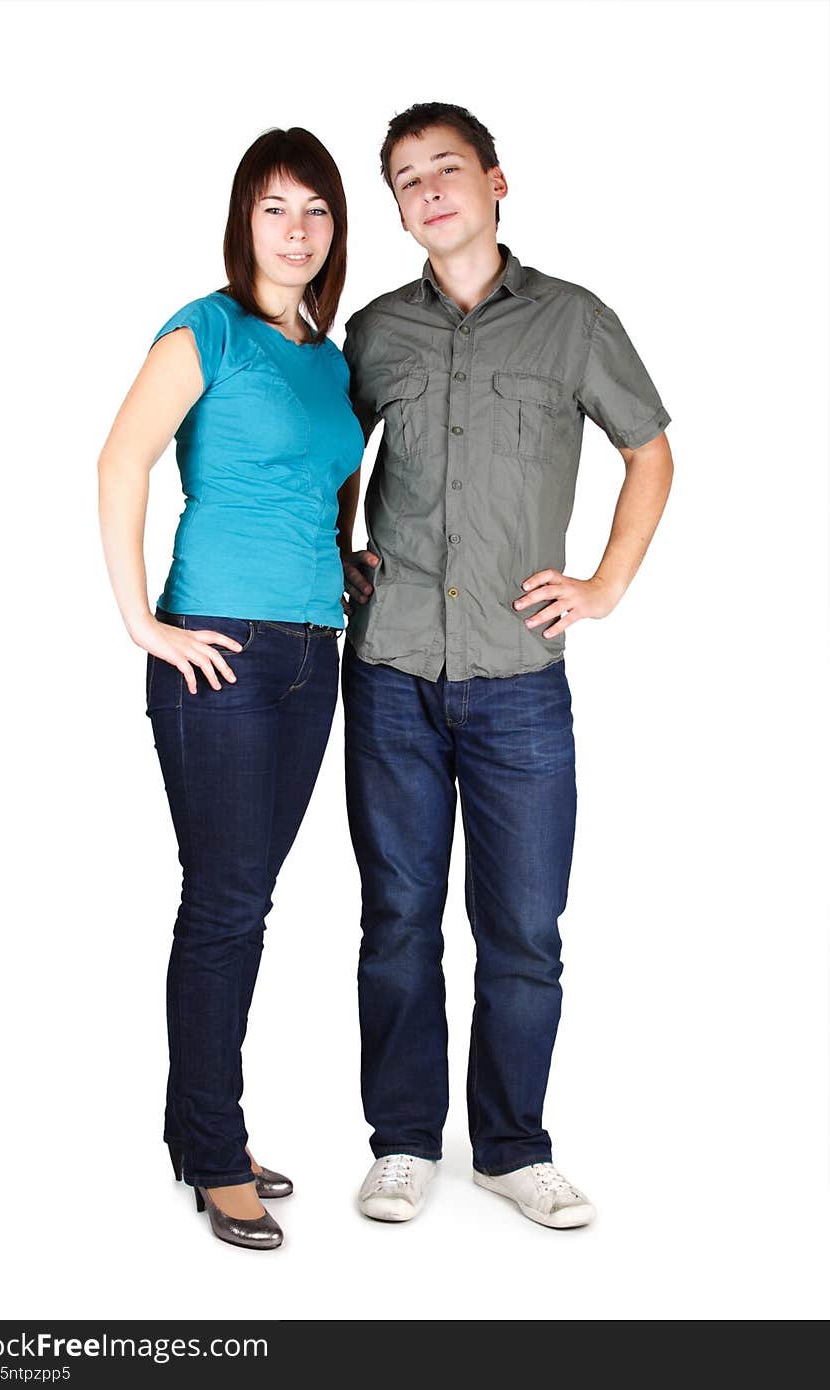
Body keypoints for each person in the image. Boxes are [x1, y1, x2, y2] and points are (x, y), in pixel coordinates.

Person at [337, 102, 674, 1229]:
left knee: (524, 929)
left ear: (494, 182)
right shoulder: (375, 331)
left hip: (519, 681)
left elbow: (649, 450)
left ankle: (511, 1145)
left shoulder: (573, 321)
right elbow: (332, 457)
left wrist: (603, 584)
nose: (427, 191)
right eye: (404, 179)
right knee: (397, 918)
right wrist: (340, 551)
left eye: (445, 169)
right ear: (396, 206)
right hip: (387, 675)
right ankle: (400, 1141)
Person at [97, 128, 364, 1250]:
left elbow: (319, 486)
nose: (295, 230)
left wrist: (342, 565)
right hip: (220, 657)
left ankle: (194, 1126)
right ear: (241, 219)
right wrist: (143, 624)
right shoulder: (202, 328)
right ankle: (215, 1153)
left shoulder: (328, 353)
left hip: (314, 654)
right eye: (274, 208)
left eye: (314, 210)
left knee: (241, 902)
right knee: (224, 904)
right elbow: (121, 462)